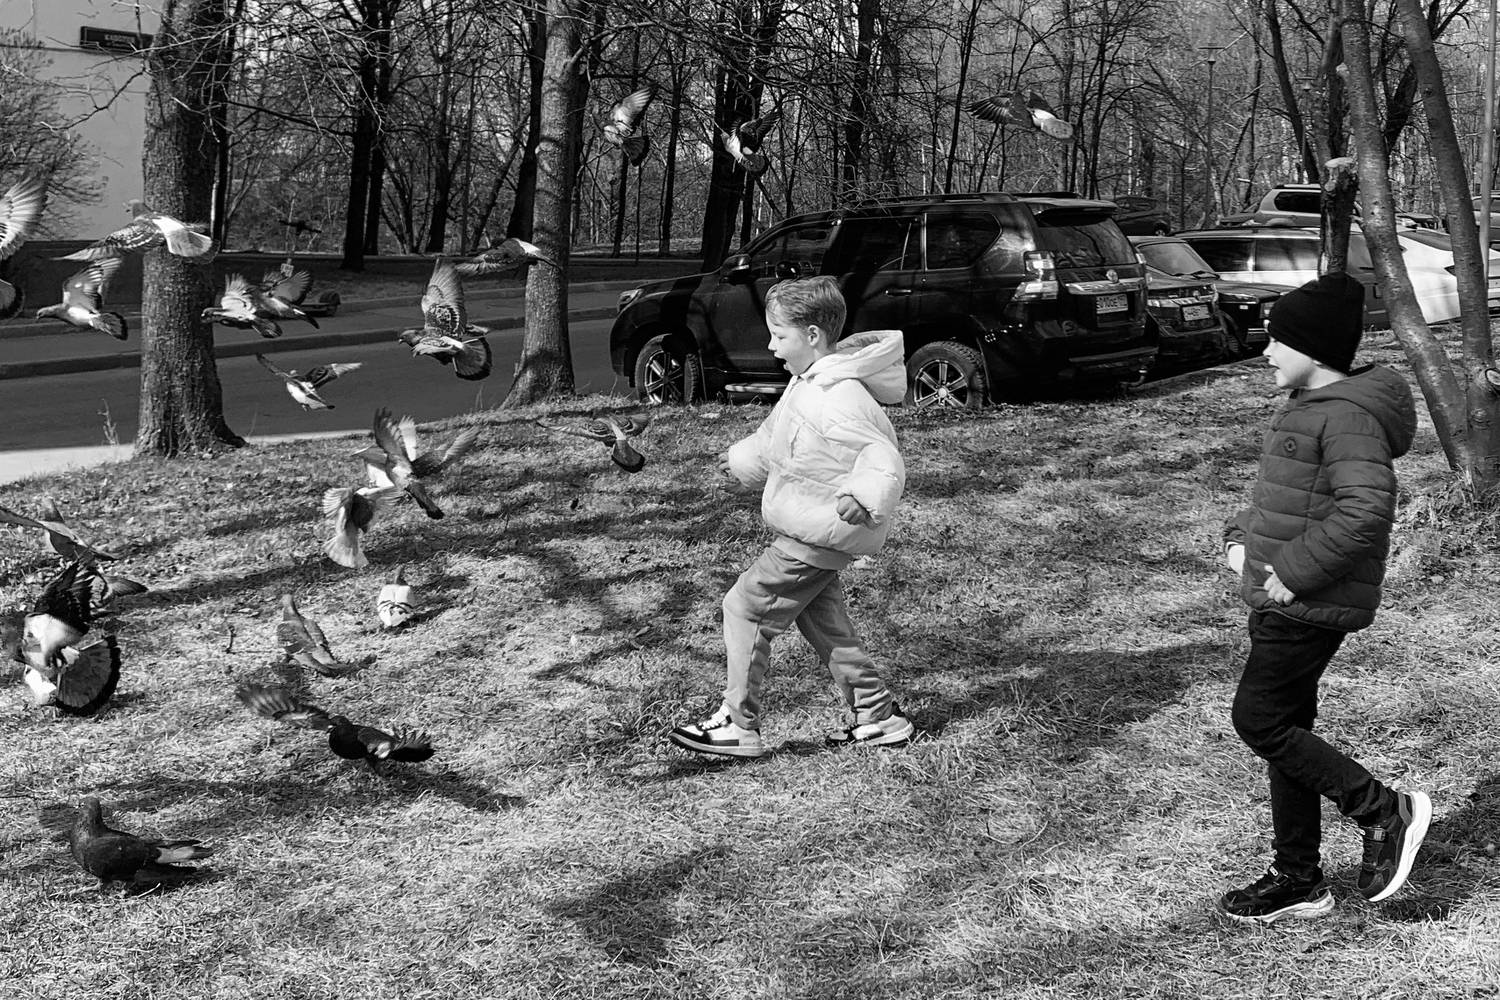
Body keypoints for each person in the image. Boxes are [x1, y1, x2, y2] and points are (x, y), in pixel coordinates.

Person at [1219, 271, 1429, 924]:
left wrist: (1294, 570)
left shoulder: (1345, 417)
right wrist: (1242, 538)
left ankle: (1384, 810)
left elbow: (1365, 510)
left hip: (1306, 602)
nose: (1265, 352)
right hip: (1285, 598)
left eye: (1275, 341)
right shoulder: (1310, 407)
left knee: (1260, 720)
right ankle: (1297, 877)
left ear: (1310, 349)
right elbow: (1293, 499)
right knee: (1287, 732)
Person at [669, 276, 913, 758]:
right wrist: (741, 463)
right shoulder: (809, 385)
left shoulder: (837, 396)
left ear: (813, 336)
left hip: (815, 532)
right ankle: (879, 715)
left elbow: (881, 455)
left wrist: (865, 495)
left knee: (745, 606)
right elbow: (775, 439)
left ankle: (738, 723)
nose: (771, 345)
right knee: (826, 625)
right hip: (814, 529)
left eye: (779, 336)